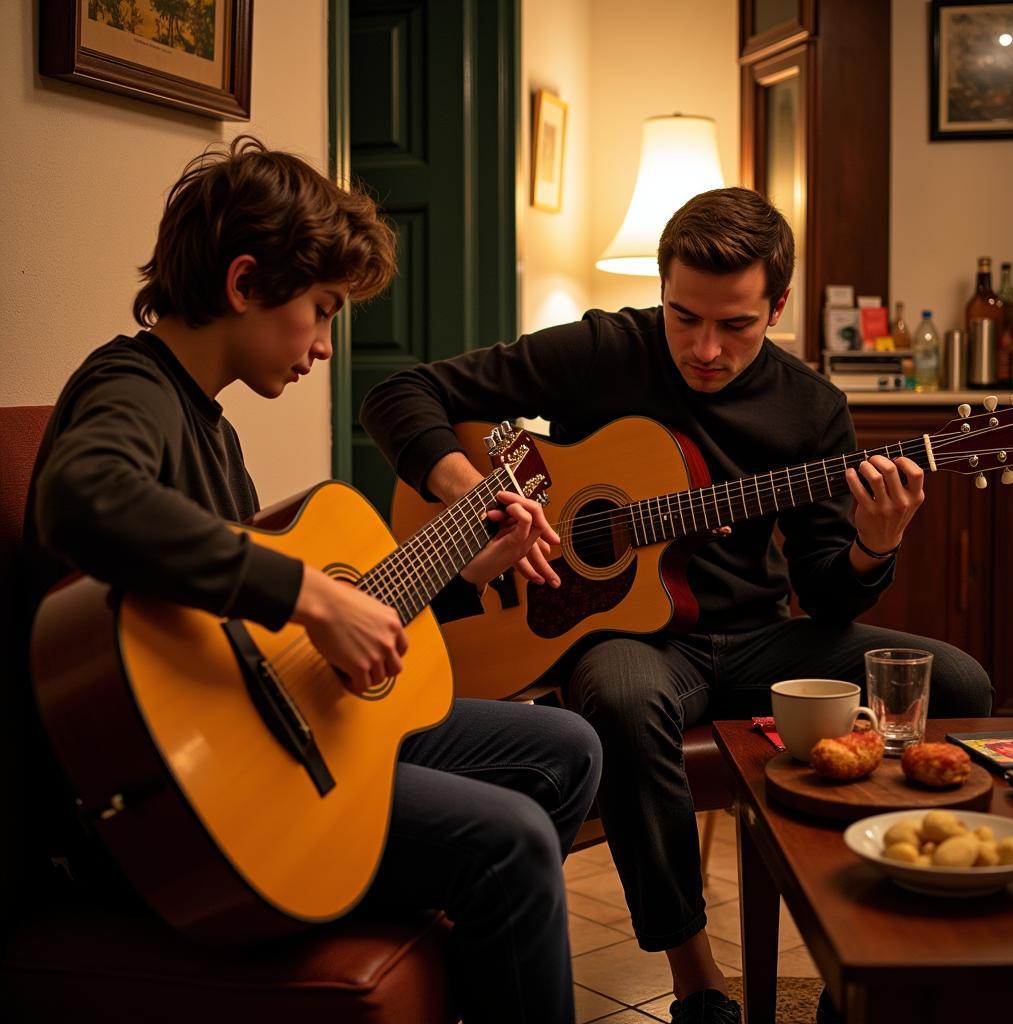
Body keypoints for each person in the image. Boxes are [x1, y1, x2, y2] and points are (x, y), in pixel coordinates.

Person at [359, 187, 994, 1024]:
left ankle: (879, 944)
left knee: (957, 682)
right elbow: (402, 393)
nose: (704, 348)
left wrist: (875, 543)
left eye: (736, 325)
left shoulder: (811, 408)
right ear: (660, 291)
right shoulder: (605, 351)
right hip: (630, 641)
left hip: (762, 637)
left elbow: (829, 595)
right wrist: (483, 497)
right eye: (682, 316)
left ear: (778, 305)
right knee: (622, 698)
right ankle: (697, 983)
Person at [17, 135, 602, 1024]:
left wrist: (460, 569)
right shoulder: (127, 385)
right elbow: (82, 497)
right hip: (171, 798)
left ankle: (454, 940)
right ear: (244, 284)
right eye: (322, 311)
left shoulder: (212, 427)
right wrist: (316, 596)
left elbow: (269, 635)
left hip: (267, 730)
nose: (327, 347)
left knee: (568, 748)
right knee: (511, 842)